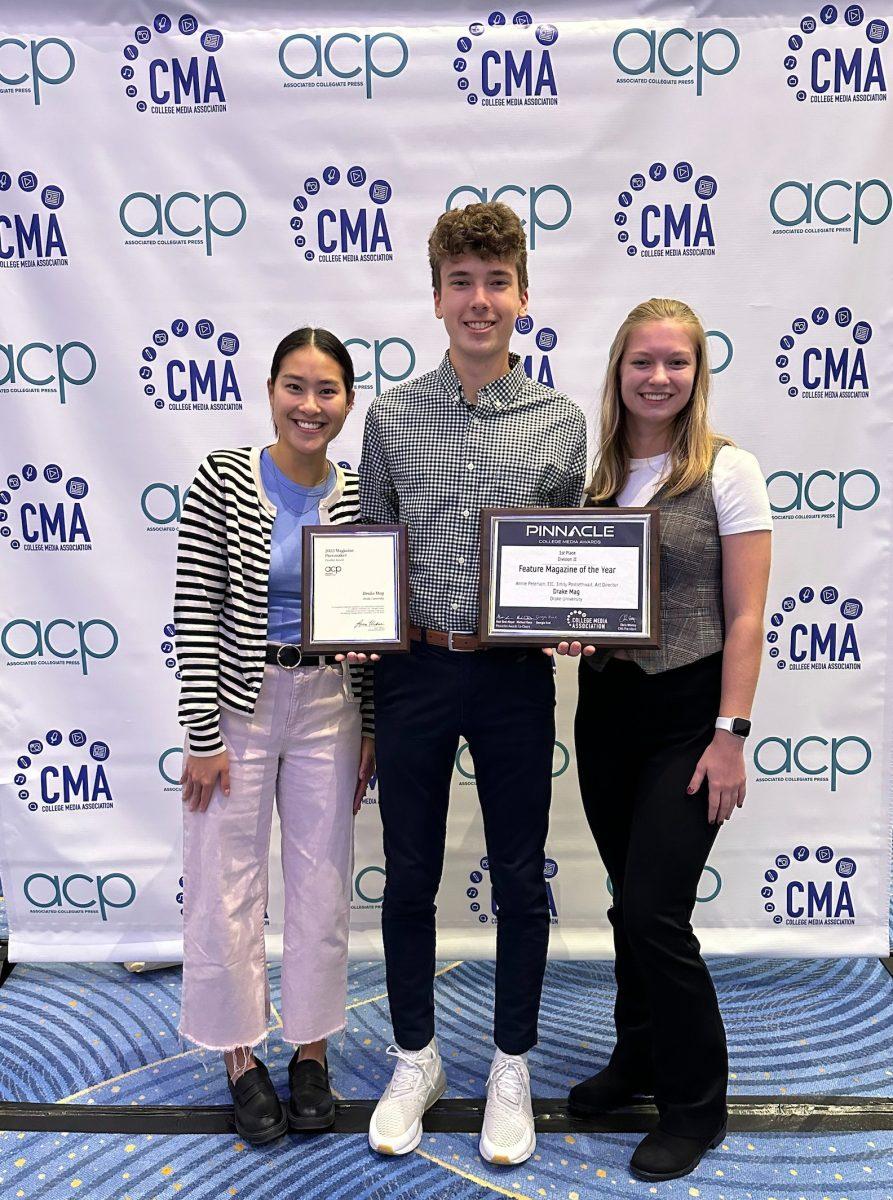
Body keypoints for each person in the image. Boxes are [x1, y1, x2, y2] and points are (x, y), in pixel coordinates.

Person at [359, 201, 587, 1165]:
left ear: (522, 295)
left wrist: (578, 617)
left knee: (522, 881)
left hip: (509, 683)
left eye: (496, 282)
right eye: (462, 282)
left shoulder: (561, 422)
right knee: (408, 876)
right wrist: (369, 704)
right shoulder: (390, 415)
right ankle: (418, 1056)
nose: (479, 300)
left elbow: (573, 564)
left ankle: (510, 1063)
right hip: (413, 670)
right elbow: (365, 569)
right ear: (437, 295)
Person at [561, 298, 772, 1182]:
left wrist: (730, 735)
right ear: (617, 372)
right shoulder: (595, 475)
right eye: (640, 362)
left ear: (696, 373)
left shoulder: (729, 470)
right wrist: (563, 624)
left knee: (655, 909)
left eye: (674, 363)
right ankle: (637, 1057)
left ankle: (695, 1106)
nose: (657, 377)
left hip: (691, 715)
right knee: (624, 901)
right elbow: (576, 589)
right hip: (606, 710)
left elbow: (747, 614)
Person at [175, 328, 375, 1145]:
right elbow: (193, 612)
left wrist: (372, 726)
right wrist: (199, 731)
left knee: (322, 883)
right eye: (295, 387)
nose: (310, 406)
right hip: (236, 706)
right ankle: (239, 1057)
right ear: (269, 391)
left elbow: (371, 621)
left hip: (330, 702)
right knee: (225, 883)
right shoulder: (222, 481)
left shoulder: (359, 492)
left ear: (347, 403)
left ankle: (311, 1051)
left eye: (326, 391)